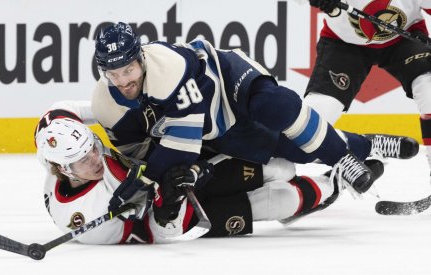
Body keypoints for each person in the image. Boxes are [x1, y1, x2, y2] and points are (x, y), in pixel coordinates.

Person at [90, 22, 418, 201]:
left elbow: (183, 143)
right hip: (218, 128)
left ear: (141, 59)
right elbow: (142, 152)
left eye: (128, 70)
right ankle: (368, 144)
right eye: (113, 73)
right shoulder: (106, 103)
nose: (122, 80)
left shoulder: (167, 70)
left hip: (228, 77)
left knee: (277, 107)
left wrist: (149, 179)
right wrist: (148, 175)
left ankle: (340, 158)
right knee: (293, 150)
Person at [34, 107, 387, 243]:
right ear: (63, 168)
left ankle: (356, 148)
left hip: (189, 171)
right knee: (281, 199)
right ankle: (333, 185)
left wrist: (183, 168)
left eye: (94, 147)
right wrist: (168, 202)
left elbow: (58, 113)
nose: (96, 158)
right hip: (187, 215)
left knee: (280, 167)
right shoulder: (89, 221)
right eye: (83, 160)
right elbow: (158, 236)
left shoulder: (72, 153)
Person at [305, 0, 431, 177]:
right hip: (343, 42)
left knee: (429, 89)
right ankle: (363, 144)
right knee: (308, 131)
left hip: (405, 36)